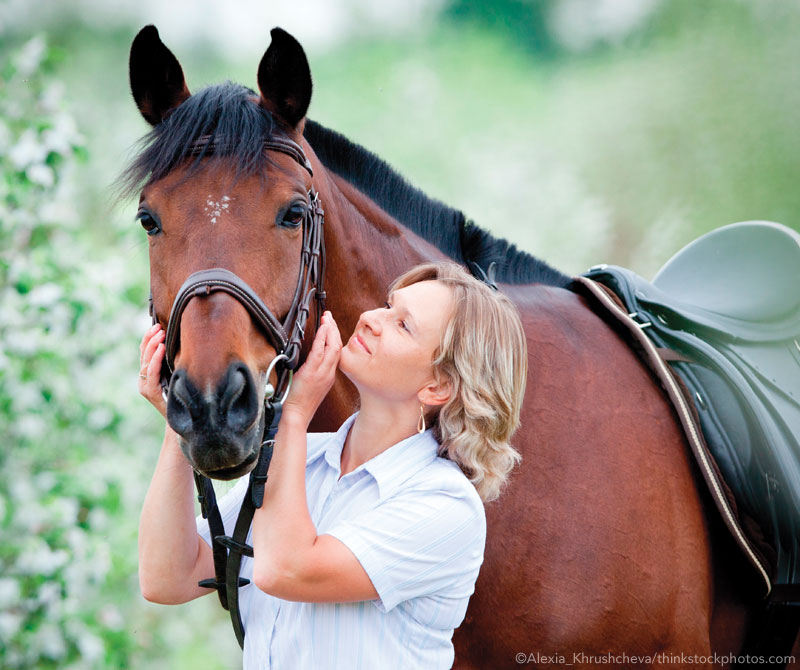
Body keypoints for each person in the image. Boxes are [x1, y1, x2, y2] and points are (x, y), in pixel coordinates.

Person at [137, 261, 527, 670]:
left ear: (438, 387)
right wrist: (182, 420)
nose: (372, 320)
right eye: (387, 306)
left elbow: (285, 569)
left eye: (403, 325)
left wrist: (295, 413)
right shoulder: (303, 458)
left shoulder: (446, 506)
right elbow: (169, 577)